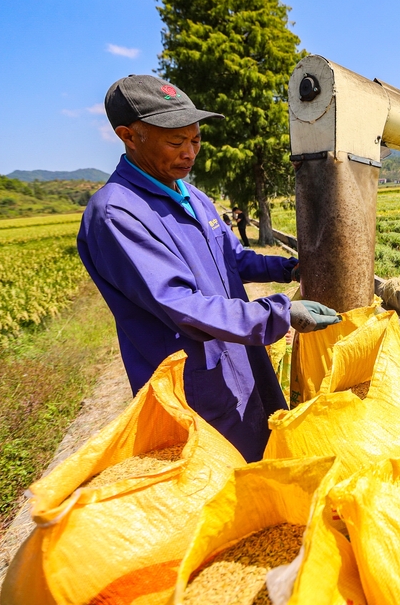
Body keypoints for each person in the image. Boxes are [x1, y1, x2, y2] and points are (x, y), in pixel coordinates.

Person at [77, 74, 341, 462]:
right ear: (129, 136)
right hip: (195, 384)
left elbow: (232, 258)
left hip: (241, 358)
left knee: (271, 456)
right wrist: (281, 312)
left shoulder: (191, 195)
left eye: (196, 139)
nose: (190, 153)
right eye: (175, 142)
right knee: (222, 484)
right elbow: (181, 305)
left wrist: (291, 268)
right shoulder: (116, 214)